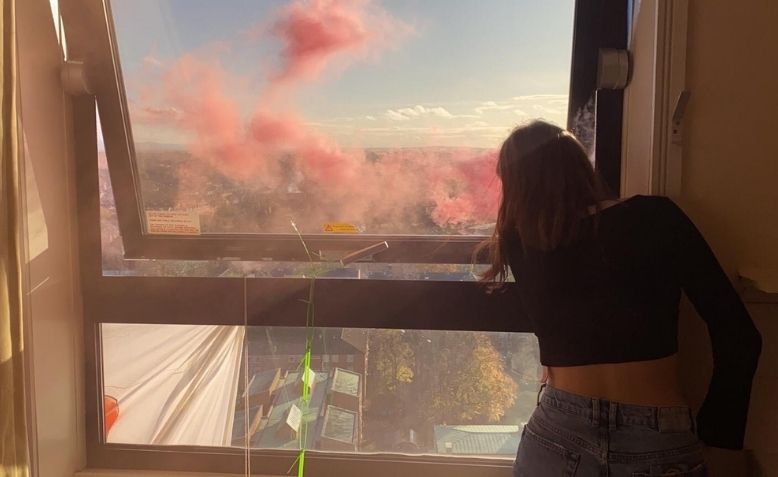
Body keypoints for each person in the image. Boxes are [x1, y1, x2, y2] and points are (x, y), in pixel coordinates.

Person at [480, 120, 762, 476]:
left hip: (556, 431)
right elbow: (740, 338)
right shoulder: (655, 218)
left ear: (516, 185)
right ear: (580, 165)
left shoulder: (520, 245)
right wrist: (721, 442)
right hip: (656, 438)